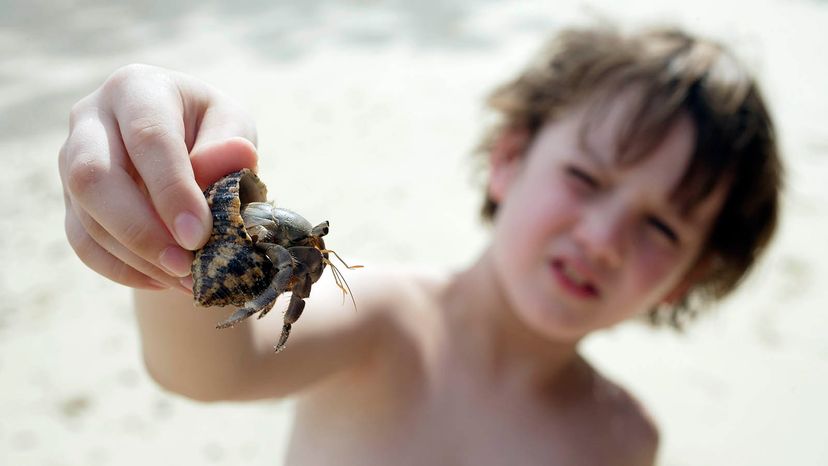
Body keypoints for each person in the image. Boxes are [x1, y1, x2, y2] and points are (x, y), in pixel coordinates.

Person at [59, 26, 782, 465]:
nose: (602, 239)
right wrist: (170, 210)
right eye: (586, 177)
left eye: (661, 227)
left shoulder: (626, 442)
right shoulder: (388, 324)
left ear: (692, 276)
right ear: (509, 158)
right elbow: (211, 372)